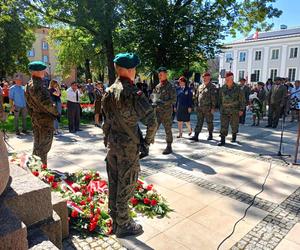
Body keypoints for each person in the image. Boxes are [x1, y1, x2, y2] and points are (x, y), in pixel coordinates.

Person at [102, 52, 157, 238]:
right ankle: (124, 225)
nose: (135, 71)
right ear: (129, 70)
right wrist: (147, 143)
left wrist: (107, 140)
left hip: (112, 145)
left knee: (114, 181)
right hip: (128, 147)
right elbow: (152, 122)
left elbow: (106, 122)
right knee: (127, 184)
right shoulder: (134, 94)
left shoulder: (108, 92)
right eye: (134, 68)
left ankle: (115, 218)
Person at [25, 61, 59, 165]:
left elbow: (28, 105)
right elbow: (46, 103)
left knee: (38, 145)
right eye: (42, 70)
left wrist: (33, 115)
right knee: (44, 147)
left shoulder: (29, 84)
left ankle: (35, 168)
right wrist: (56, 112)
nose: (44, 72)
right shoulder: (37, 85)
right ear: (36, 72)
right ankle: (41, 171)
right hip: (44, 120)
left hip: (37, 118)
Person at [152, 67, 176, 154]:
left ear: (166, 74)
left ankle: (169, 146)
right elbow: (154, 96)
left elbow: (174, 100)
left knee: (168, 129)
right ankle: (147, 144)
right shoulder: (157, 86)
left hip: (166, 112)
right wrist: (153, 101)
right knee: (153, 128)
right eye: (159, 74)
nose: (159, 76)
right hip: (158, 112)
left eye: (161, 74)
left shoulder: (171, 86)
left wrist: (164, 102)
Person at [218, 72, 245, 146]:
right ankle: (222, 140)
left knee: (234, 125)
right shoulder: (223, 88)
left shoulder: (238, 88)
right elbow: (219, 99)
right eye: (226, 79)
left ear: (232, 78)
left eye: (228, 79)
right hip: (224, 110)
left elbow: (242, 100)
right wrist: (220, 108)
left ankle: (234, 138)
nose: (226, 80)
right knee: (223, 125)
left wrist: (241, 109)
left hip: (234, 110)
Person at [190, 72, 217, 141]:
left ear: (209, 78)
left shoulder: (212, 87)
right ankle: (196, 135)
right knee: (199, 122)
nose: (205, 79)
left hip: (208, 109)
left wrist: (213, 108)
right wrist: (195, 105)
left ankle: (210, 134)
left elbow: (214, 98)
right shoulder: (200, 86)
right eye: (204, 77)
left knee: (209, 122)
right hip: (200, 108)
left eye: (206, 77)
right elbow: (197, 96)